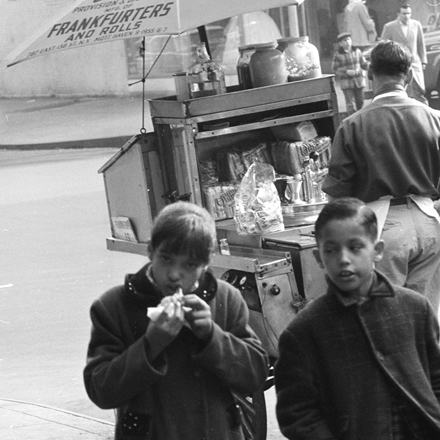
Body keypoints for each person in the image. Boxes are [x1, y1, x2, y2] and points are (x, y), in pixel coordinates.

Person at [83, 201, 269, 440]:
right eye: (166, 259)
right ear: (150, 251)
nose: (174, 274)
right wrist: (151, 345)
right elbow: (101, 391)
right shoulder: (114, 306)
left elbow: (254, 375)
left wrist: (211, 336)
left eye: (190, 265)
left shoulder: (225, 299)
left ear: (206, 264)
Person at [275, 197, 440, 440]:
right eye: (331, 250)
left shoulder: (415, 308)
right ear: (318, 257)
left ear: (378, 251)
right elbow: (297, 413)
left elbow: (436, 378)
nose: (343, 259)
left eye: (355, 247)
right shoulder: (304, 331)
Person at [322, 40, 440, 313]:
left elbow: (336, 198)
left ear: (369, 75)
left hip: (384, 230)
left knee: (386, 319)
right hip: (430, 225)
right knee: (427, 320)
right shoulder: (434, 118)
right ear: (409, 75)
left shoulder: (352, 125)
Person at [381, 3, 428, 105]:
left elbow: (421, 44)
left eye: (409, 13)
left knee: (419, 94)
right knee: (404, 95)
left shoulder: (416, 25)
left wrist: (423, 61)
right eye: (404, 14)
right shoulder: (389, 27)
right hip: (398, 66)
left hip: (415, 65)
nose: (407, 16)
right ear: (398, 14)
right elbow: (383, 46)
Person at [332, 32, 369, 115]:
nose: (347, 42)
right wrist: (346, 72)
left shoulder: (357, 51)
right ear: (340, 44)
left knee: (360, 101)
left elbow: (364, 64)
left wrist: (370, 66)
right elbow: (335, 69)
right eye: (344, 40)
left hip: (359, 81)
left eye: (349, 39)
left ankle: (360, 117)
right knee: (350, 104)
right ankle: (352, 121)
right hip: (346, 83)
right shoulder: (338, 55)